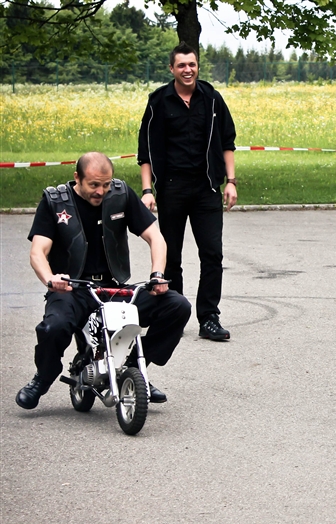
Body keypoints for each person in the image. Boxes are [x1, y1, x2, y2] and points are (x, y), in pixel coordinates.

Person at [16, 152, 191, 410]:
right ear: (77, 178)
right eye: (94, 185)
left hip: (113, 288)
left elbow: (156, 237)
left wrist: (157, 274)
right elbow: (38, 252)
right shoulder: (55, 201)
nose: (101, 191)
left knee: (178, 306)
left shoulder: (121, 195)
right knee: (53, 328)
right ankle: (43, 377)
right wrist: (51, 278)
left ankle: (132, 370)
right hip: (72, 289)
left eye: (106, 184)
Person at [137, 41, 237, 341]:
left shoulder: (212, 99)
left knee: (212, 255)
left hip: (207, 188)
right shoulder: (158, 101)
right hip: (172, 189)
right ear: (172, 68)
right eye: (181, 65)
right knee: (171, 257)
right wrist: (147, 190)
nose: (187, 69)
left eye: (192, 64)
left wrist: (231, 182)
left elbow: (227, 142)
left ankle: (209, 318)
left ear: (197, 66)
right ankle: (174, 314)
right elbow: (145, 152)